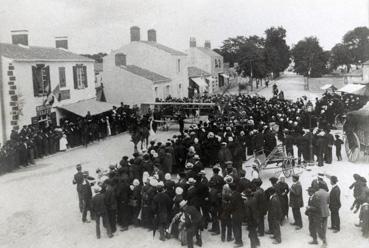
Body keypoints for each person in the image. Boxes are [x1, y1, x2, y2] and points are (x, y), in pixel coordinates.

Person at [315, 181, 330, 247]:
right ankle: (324, 237)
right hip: (326, 211)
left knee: (318, 225)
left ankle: (324, 240)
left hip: (319, 212)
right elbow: (328, 202)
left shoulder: (316, 193)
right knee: (324, 225)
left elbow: (315, 203)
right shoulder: (327, 193)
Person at [229, 182, 244, 247]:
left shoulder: (232, 196)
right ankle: (238, 240)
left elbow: (232, 206)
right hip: (240, 213)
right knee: (239, 227)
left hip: (235, 214)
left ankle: (239, 242)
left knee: (235, 228)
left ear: (230, 188)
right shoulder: (238, 194)